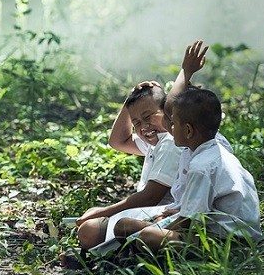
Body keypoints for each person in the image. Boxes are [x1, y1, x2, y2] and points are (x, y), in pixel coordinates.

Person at [114, 87, 261, 253]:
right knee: (125, 226)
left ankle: (147, 260)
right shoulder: (205, 153)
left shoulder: (202, 166)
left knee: (148, 237)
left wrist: (159, 227)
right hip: (209, 228)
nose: (168, 128)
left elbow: (190, 221)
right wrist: (169, 216)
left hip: (230, 241)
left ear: (188, 130)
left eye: (173, 123)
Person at [72, 82, 182, 252]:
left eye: (148, 117)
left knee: (90, 230)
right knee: (92, 216)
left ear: (167, 112)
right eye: (136, 123)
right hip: (149, 211)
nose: (144, 127)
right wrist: (129, 102)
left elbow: (150, 197)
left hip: (165, 214)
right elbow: (117, 141)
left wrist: (104, 212)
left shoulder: (169, 142)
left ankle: (119, 250)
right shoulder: (155, 142)